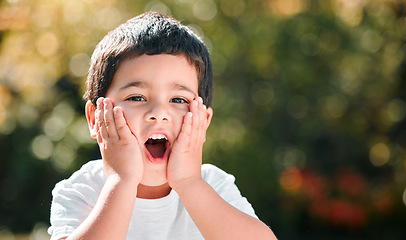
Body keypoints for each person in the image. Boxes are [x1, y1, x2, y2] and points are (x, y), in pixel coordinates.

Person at [48, 11, 277, 240]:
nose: (158, 114)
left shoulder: (213, 186)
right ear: (96, 118)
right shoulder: (83, 190)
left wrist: (189, 183)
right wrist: (122, 181)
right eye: (136, 97)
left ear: (203, 122)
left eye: (178, 100)